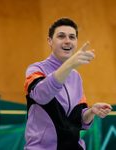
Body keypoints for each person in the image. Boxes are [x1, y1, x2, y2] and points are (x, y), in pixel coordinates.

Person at [24, 18, 112, 150]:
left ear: (76, 42)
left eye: (72, 37)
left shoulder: (76, 76)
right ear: (50, 41)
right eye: (61, 36)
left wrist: (91, 112)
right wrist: (70, 64)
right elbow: (41, 96)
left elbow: (80, 121)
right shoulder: (36, 69)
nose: (67, 41)